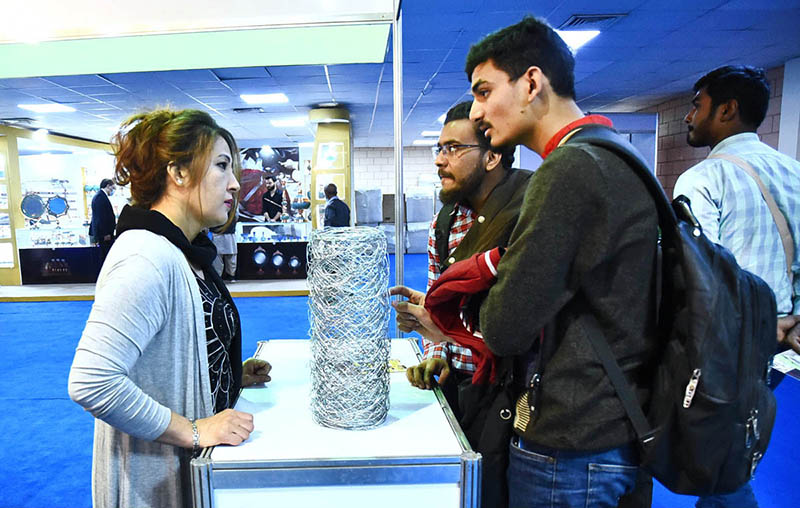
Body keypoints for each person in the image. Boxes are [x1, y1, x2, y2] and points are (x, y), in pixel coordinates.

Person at [418, 16, 657, 507]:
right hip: (614, 424)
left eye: (484, 91)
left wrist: (474, 296)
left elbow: (505, 326)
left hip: (572, 440)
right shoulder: (612, 154)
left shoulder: (564, 172)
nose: (479, 111)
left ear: (531, 82)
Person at [68, 109, 272, 508]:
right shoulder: (146, 257)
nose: (234, 184)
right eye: (222, 166)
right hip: (156, 484)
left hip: (185, 477)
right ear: (178, 173)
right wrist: (194, 431)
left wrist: (225, 374)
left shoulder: (180, 251)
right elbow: (92, 381)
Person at [390, 100, 529, 507]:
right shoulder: (446, 221)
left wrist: (447, 329)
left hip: (517, 397)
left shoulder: (528, 213)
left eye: (453, 149)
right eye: (439, 148)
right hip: (462, 391)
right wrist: (437, 350)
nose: (439, 160)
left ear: (492, 157)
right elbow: (439, 302)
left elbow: (525, 326)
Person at [673, 65, 800, 508]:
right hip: (780, 347)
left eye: (696, 105)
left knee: (723, 467)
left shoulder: (703, 179)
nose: (688, 117)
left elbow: (697, 274)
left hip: (726, 348)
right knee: (734, 453)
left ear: (727, 110)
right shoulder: (793, 172)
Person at [89, 178, 117, 265]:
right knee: (105, 257)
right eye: (112, 188)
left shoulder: (100, 196)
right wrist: (105, 233)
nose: (112, 191)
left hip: (105, 234)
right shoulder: (100, 198)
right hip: (104, 235)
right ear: (108, 186)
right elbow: (101, 218)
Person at [212, 212, 238, 281]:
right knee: (218, 257)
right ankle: (220, 277)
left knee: (230, 256)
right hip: (217, 233)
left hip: (227, 233)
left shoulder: (233, 203)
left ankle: (230, 276)